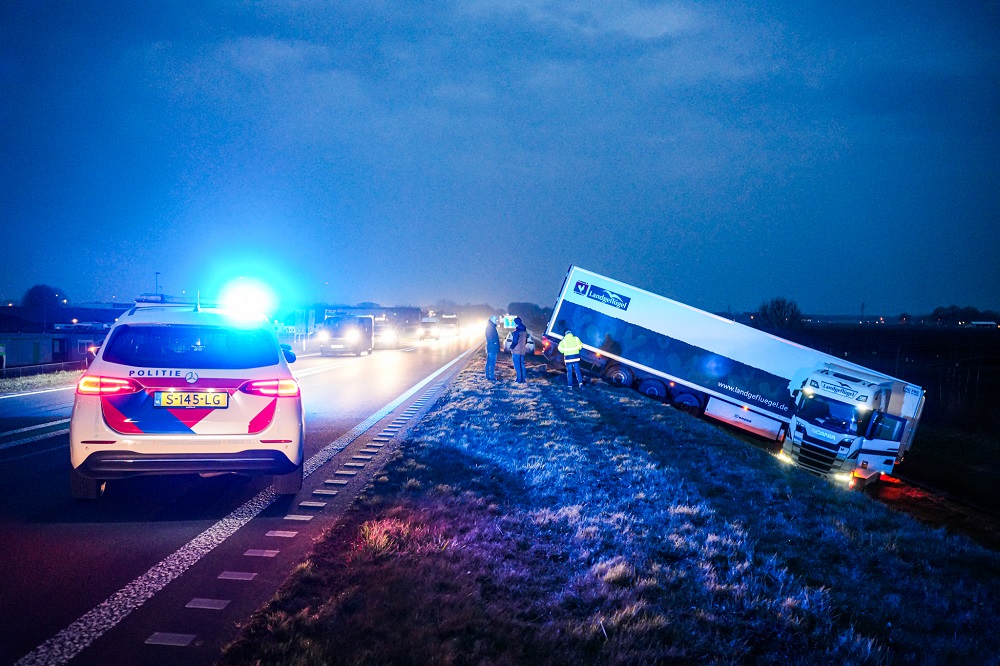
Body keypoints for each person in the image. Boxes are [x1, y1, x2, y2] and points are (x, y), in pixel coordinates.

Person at [509, 316, 528, 383]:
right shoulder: (525, 331)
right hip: (522, 350)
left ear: (516, 323)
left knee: (517, 366)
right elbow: (525, 341)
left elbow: (515, 342)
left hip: (516, 350)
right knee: (522, 365)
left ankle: (519, 379)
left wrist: (511, 347)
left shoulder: (517, 332)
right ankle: (523, 379)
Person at [484, 315, 500, 380]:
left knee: (489, 362)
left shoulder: (490, 327)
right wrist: (495, 343)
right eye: (495, 320)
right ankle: (492, 377)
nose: (496, 321)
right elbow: (490, 337)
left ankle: (488, 375)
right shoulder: (490, 328)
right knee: (492, 363)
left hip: (490, 347)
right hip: (492, 348)